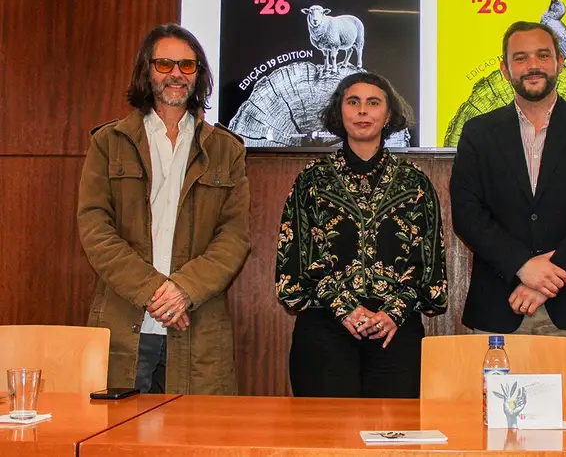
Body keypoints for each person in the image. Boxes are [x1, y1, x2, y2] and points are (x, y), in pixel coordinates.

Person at [449, 21, 566, 396]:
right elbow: (468, 213)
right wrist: (523, 266)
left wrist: (546, 276)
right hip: (499, 310)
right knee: (496, 424)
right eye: (521, 57)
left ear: (560, 62)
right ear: (505, 69)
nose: (533, 65)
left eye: (543, 55)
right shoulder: (478, 132)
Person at [77, 23, 251, 394]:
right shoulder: (109, 142)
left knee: (199, 430)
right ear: (147, 70)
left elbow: (234, 236)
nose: (176, 74)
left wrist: (184, 290)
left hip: (196, 324)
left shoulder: (226, 149)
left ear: (198, 75)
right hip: (125, 322)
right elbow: (95, 229)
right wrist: (157, 291)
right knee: (116, 431)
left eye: (187, 65)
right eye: (164, 64)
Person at [276, 72, 448, 398]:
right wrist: (344, 308)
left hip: (395, 330)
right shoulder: (312, 180)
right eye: (353, 102)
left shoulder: (415, 183)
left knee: (395, 429)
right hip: (324, 328)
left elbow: (428, 265)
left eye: (373, 102)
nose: (362, 111)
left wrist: (393, 312)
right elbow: (295, 260)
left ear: (389, 114)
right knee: (325, 430)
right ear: (339, 111)